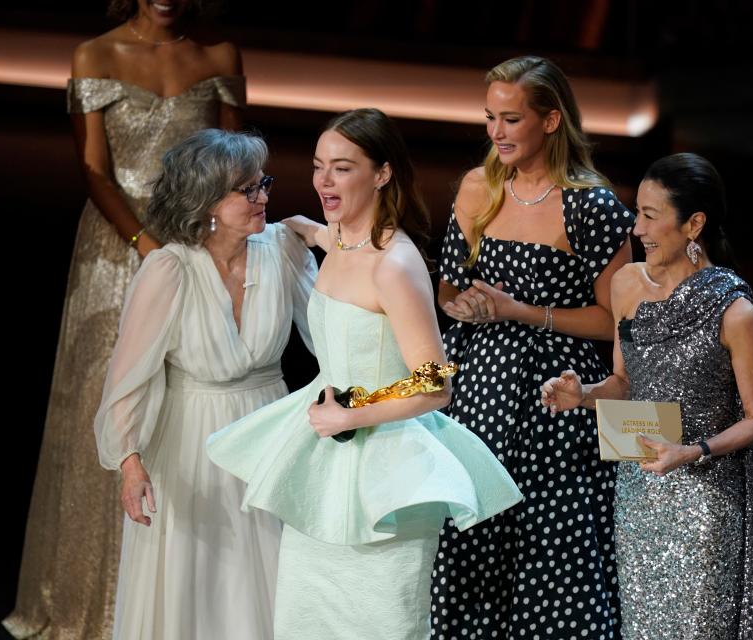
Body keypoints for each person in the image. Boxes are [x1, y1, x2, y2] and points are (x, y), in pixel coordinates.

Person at [206, 108, 523, 640]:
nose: (324, 181)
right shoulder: (343, 238)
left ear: (381, 174)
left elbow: (434, 381)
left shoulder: (395, 264)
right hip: (328, 463)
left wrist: (351, 412)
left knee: (379, 621)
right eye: (318, 167)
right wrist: (309, 229)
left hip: (387, 472)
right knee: (307, 618)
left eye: (343, 169)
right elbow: (343, 245)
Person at [4, 2, 245, 637]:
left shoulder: (219, 57)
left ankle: (176, 600)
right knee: (112, 398)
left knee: (189, 396)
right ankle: (94, 601)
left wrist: (205, 244)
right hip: (119, 248)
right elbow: (94, 168)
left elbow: (237, 165)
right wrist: (144, 243)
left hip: (196, 241)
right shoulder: (96, 54)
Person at [541, 152, 753, 639]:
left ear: (693, 224)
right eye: (638, 212)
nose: (637, 229)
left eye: (650, 216)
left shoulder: (734, 311)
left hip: (706, 502)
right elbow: (625, 383)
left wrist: (692, 452)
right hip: (639, 494)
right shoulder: (626, 285)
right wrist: (583, 394)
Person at [431, 55, 633, 639]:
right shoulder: (477, 187)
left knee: (553, 561)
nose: (496, 132)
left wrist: (524, 312)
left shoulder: (591, 207)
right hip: (478, 397)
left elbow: (615, 324)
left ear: (550, 121)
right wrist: (460, 305)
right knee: (472, 552)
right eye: (490, 118)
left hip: (555, 408)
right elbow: (447, 286)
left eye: (511, 119)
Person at [94, 129, 315, 639]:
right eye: (247, 189)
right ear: (206, 201)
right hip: (191, 444)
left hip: (267, 435)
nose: (264, 198)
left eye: (265, 184)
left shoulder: (281, 248)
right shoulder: (168, 269)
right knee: (196, 581)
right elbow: (129, 377)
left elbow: (330, 330)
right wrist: (130, 463)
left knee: (267, 576)